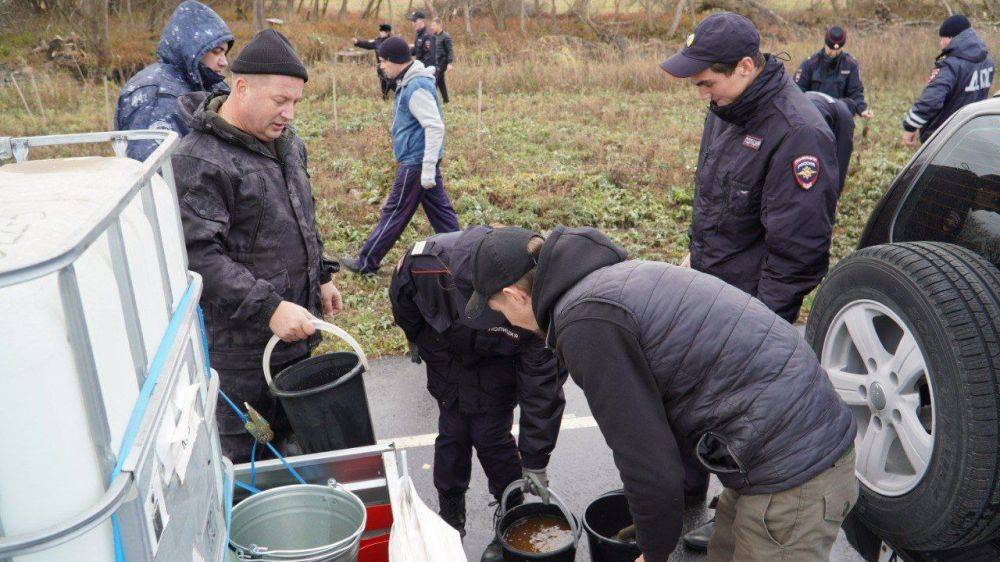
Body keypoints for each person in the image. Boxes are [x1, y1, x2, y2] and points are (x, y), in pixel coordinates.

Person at [464, 225, 858, 562]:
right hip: (767, 441)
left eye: (499, 310)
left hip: (794, 469)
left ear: (516, 296)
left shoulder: (586, 324)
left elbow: (649, 464)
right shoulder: (606, 279)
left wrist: (652, 551)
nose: (506, 322)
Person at [659, 12, 843, 549]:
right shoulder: (728, 109)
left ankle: (738, 509)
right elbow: (716, 198)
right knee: (689, 402)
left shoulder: (797, 133)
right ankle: (688, 494)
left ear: (744, 67)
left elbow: (799, 255)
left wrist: (754, 327)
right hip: (710, 290)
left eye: (708, 83)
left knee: (740, 419)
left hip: (750, 313)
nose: (703, 95)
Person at [172, 29, 343, 463]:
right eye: (279, 101)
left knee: (299, 450)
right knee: (248, 462)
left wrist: (320, 276)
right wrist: (270, 308)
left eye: (295, 103)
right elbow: (199, 257)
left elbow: (301, 214)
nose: (288, 113)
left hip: (294, 336)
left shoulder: (286, 144)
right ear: (241, 86)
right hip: (241, 356)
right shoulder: (199, 160)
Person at [389, 226, 566, 562]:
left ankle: (510, 513)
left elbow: (540, 388)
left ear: (516, 297)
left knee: (491, 435)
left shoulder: (541, 306)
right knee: (452, 434)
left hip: (500, 362)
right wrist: (415, 335)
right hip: (447, 353)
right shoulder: (430, 262)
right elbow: (401, 290)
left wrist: (535, 462)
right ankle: (451, 517)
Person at [341, 37, 460, 275]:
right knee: (442, 214)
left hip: (415, 164)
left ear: (396, 61)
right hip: (420, 162)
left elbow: (434, 127)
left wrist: (426, 168)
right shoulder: (408, 82)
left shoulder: (415, 87)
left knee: (394, 211)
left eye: (384, 61)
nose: (381, 66)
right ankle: (462, 254)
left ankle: (366, 262)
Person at [115, 0, 233, 161]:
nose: (224, 62)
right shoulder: (156, 95)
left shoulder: (210, 84)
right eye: (216, 52)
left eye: (224, 53)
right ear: (192, 49)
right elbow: (152, 173)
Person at [902, 14, 994, 147]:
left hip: (945, 137)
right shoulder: (987, 59)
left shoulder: (951, 65)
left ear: (952, 37)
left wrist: (910, 126)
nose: (941, 44)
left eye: (942, 38)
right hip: (973, 131)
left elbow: (932, 99)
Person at [794, 26, 872, 119]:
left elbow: (855, 92)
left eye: (837, 50)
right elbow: (797, 91)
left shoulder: (851, 65)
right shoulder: (810, 64)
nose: (833, 53)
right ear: (825, 44)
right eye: (830, 49)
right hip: (816, 116)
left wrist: (862, 110)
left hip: (841, 115)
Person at [805, 91, 855, 195]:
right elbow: (842, 159)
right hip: (814, 118)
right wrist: (836, 193)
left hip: (802, 109)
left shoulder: (824, 99)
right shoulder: (846, 115)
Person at [353, 23, 397, 100]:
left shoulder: (393, 41)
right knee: (383, 87)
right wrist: (358, 42)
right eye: (380, 31)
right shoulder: (377, 41)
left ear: (387, 32)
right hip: (380, 68)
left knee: (393, 85)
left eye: (382, 31)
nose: (381, 33)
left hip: (391, 68)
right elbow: (367, 44)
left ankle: (401, 98)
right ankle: (385, 100)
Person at [430, 17, 454, 103]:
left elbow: (450, 50)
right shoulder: (433, 36)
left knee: (434, 81)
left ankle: (431, 101)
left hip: (442, 62)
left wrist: (449, 63)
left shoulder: (446, 36)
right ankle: (446, 100)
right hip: (435, 62)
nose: (432, 27)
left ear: (439, 25)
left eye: (433, 25)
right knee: (441, 82)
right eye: (431, 25)